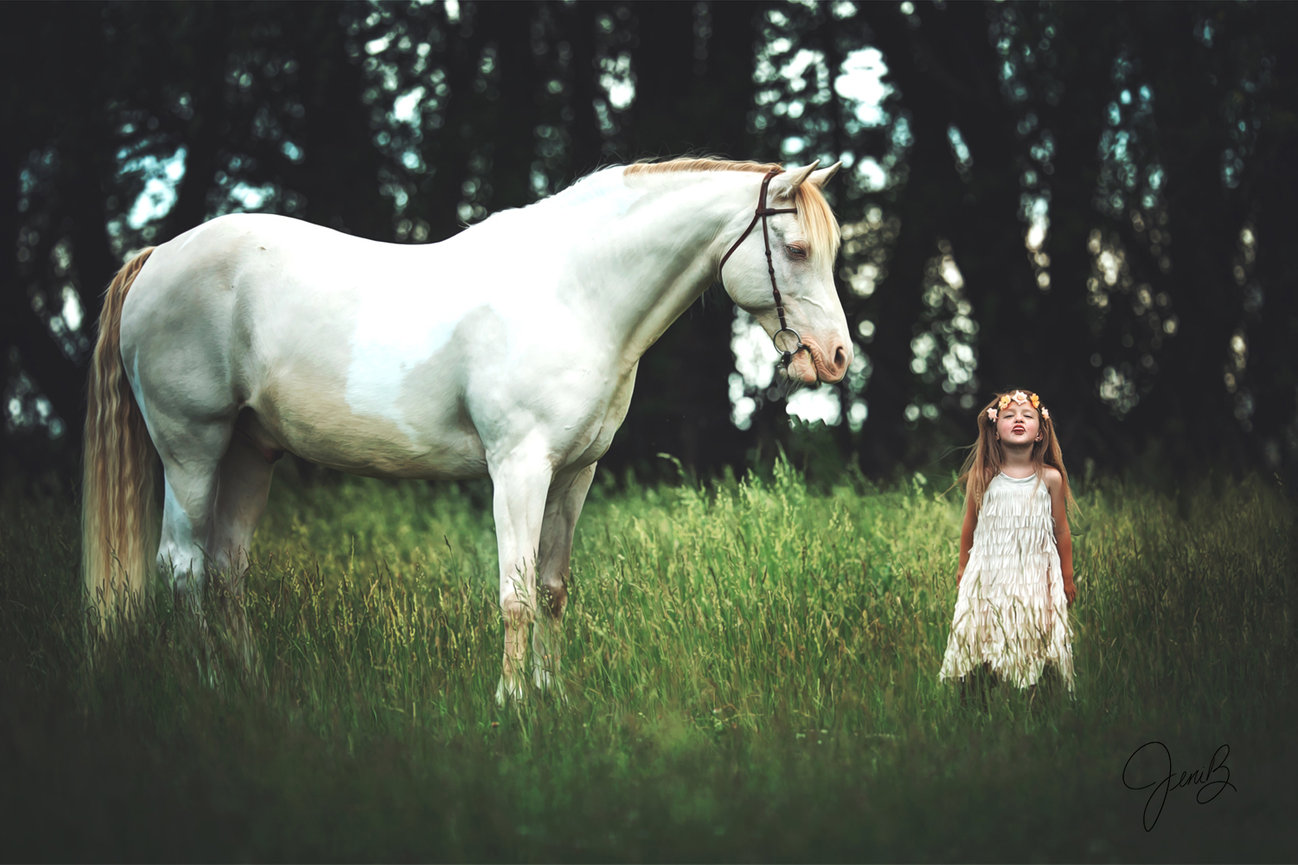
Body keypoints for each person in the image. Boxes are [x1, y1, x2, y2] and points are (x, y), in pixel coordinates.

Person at [938, 389, 1076, 697]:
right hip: (990, 573)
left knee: (1032, 632)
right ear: (995, 429)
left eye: (1027, 416)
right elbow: (969, 525)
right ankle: (975, 702)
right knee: (981, 632)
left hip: (1033, 575)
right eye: (1009, 415)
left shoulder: (1051, 478)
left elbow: (1062, 531)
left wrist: (1066, 577)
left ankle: (1034, 700)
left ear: (1040, 433)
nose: (1018, 420)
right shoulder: (983, 475)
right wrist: (963, 566)